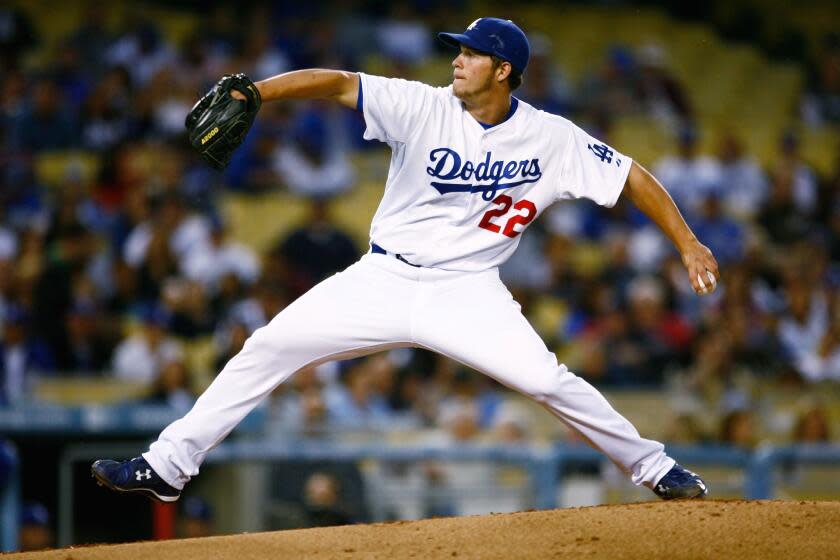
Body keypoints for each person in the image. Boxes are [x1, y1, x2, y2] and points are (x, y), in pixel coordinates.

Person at [92, 17, 718, 503]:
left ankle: (654, 465)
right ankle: (168, 465)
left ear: (502, 70)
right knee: (268, 346)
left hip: (469, 290)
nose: (457, 60)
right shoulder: (421, 103)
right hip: (384, 277)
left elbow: (631, 176)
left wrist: (687, 241)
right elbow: (339, 82)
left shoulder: (552, 137)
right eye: (458, 50)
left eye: (470, 54)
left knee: (547, 381)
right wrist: (259, 90)